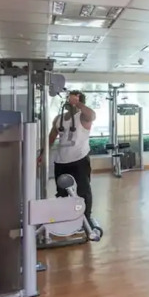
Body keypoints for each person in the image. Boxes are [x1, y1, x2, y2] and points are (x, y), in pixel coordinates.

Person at [40, 90, 97, 225]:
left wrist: (78, 104)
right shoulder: (58, 118)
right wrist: (42, 154)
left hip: (79, 159)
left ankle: (86, 220)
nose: (69, 101)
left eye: (72, 99)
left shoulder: (82, 117)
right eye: (68, 99)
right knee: (61, 192)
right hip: (61, 161)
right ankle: (64, 218)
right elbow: (51, 138)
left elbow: (92, 115)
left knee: (83, 191)